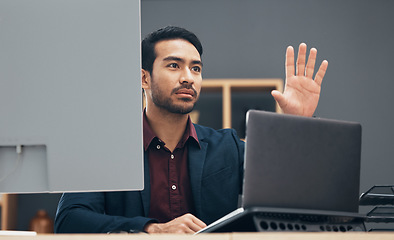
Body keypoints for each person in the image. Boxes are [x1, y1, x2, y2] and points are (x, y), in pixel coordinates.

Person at [54, 26, 328, 234]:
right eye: (174, 65)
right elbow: (69, 219)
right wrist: (153, 229)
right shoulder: (106, 150)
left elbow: (295, 192)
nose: (188, 77)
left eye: (195, 68)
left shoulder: (228, 146)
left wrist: (300, 122)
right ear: (143, 77)